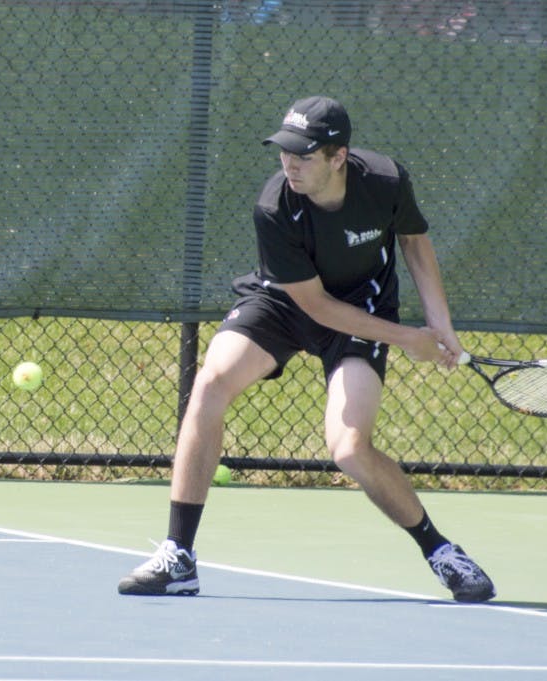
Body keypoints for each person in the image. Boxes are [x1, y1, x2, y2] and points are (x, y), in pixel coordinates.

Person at [117, 96, 495, 603]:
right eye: (284, 152)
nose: (289, 164)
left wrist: (440, 324)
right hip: (286, 300)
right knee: (211, 381)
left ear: (338, 156)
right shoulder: (276, 207)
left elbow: (414, 242)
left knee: (349, 449)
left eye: (304, 155)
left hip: (364, 305)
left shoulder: (384, 180)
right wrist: (410, 340)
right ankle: (178, 555)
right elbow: (315, 306)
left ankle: (441, 552)